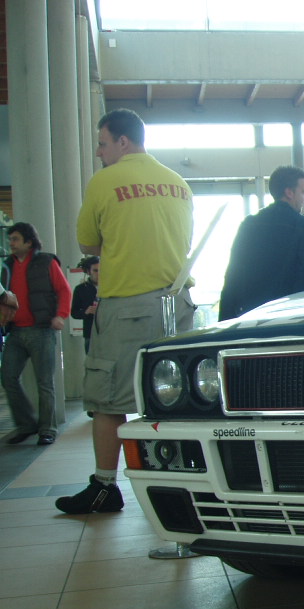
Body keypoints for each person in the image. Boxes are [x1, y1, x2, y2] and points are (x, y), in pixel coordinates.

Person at [57, 108, 195, 514]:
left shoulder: (106, 180)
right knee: (174, 400)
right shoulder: (178, 183)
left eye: (102, 143)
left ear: (123, 141)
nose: (99, 152)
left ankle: (104, 486)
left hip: (128, 305)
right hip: (178, 305)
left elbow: (87, 243)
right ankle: (181, 484)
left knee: (106, 401)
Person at [219, 165, 304, 321]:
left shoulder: (249, 224)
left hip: (252, 314)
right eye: (303, 191)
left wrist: (225, 319)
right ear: (289, 192)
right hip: (291, 315)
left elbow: (234, 274)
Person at [1, 222, 71, 446]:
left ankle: (47, 429)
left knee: (44, 382)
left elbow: (64, 290)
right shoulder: (7, 266)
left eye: (15, 239)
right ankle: (26, 424)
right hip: (16, 331)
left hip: (41, 330)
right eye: (10, 239)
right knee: (8, 376)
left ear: (28, 242)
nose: (11, 244)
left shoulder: (46, 261)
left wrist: (60, 315)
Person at [71, 255, 100, 352]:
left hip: (109, 332)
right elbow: (74, 313)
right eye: (95, 270)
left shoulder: (112, 287)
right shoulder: (81, 289)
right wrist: (86, 312)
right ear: (88, 271)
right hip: (90, 333)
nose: (99, 273)